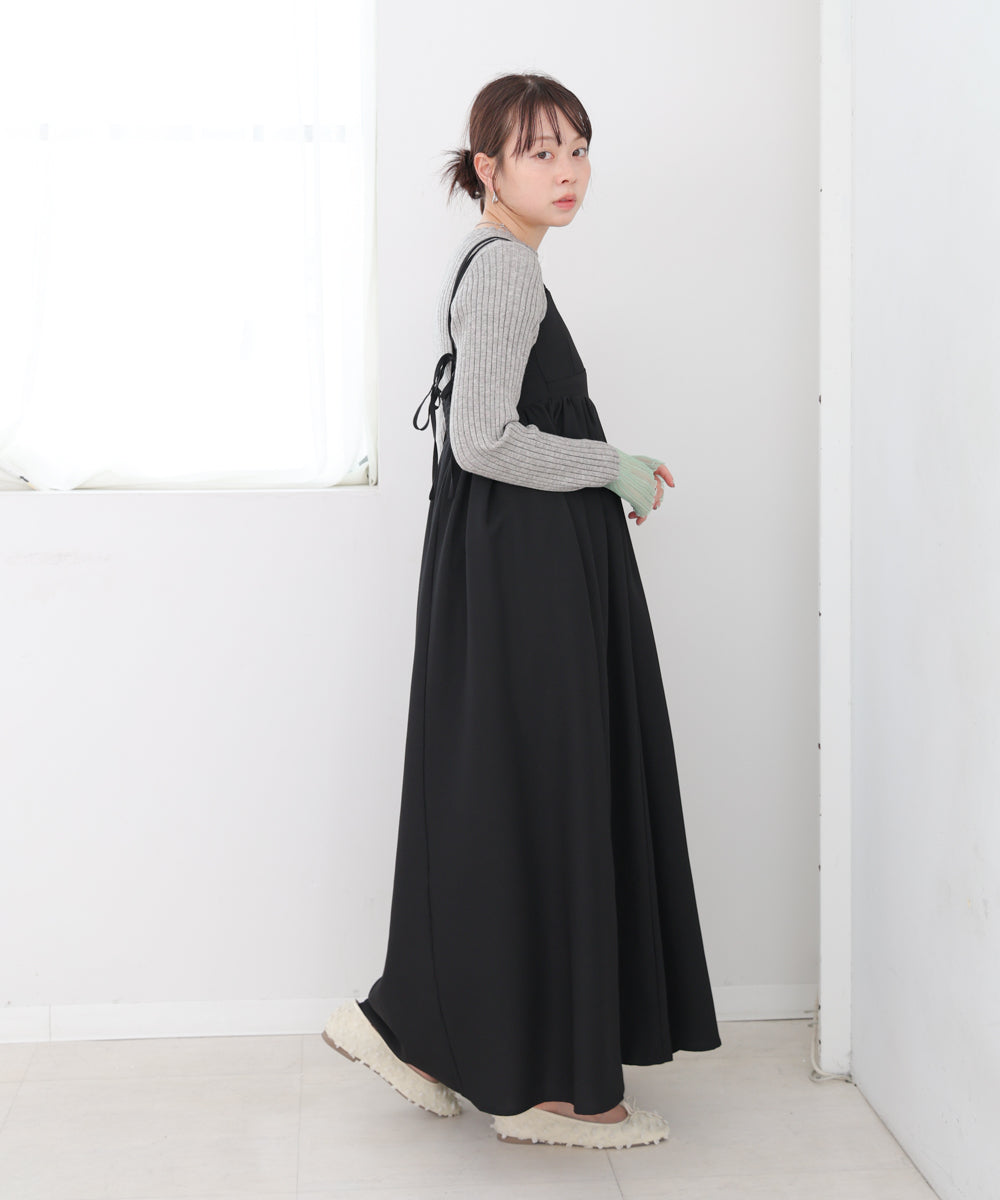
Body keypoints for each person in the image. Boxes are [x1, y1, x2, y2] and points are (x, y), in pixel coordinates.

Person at [323, 71, 721, 1151]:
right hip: (525, 580)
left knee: (511, 796)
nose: (568, 170)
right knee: (547, 794)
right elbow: (484, 439)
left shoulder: (502, 260)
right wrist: (609, 464)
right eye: (541, 151)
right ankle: (554, 1089)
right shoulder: (503, 269)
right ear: (487, 167)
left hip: (517, 568)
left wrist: (599, 472)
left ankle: (421, 1030)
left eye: (579, 148)